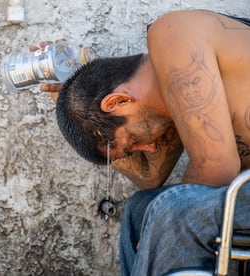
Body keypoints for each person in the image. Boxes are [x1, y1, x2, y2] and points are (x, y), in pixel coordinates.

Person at [41, 10, 250, 275]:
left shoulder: (172, 35)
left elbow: (218, 167)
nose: (149, 148)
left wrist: (164, 222)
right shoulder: (172, 99)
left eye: (133, 141)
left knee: (170, 211)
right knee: (141, 208)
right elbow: (149, 178)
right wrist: (65, 97)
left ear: (117, 102)